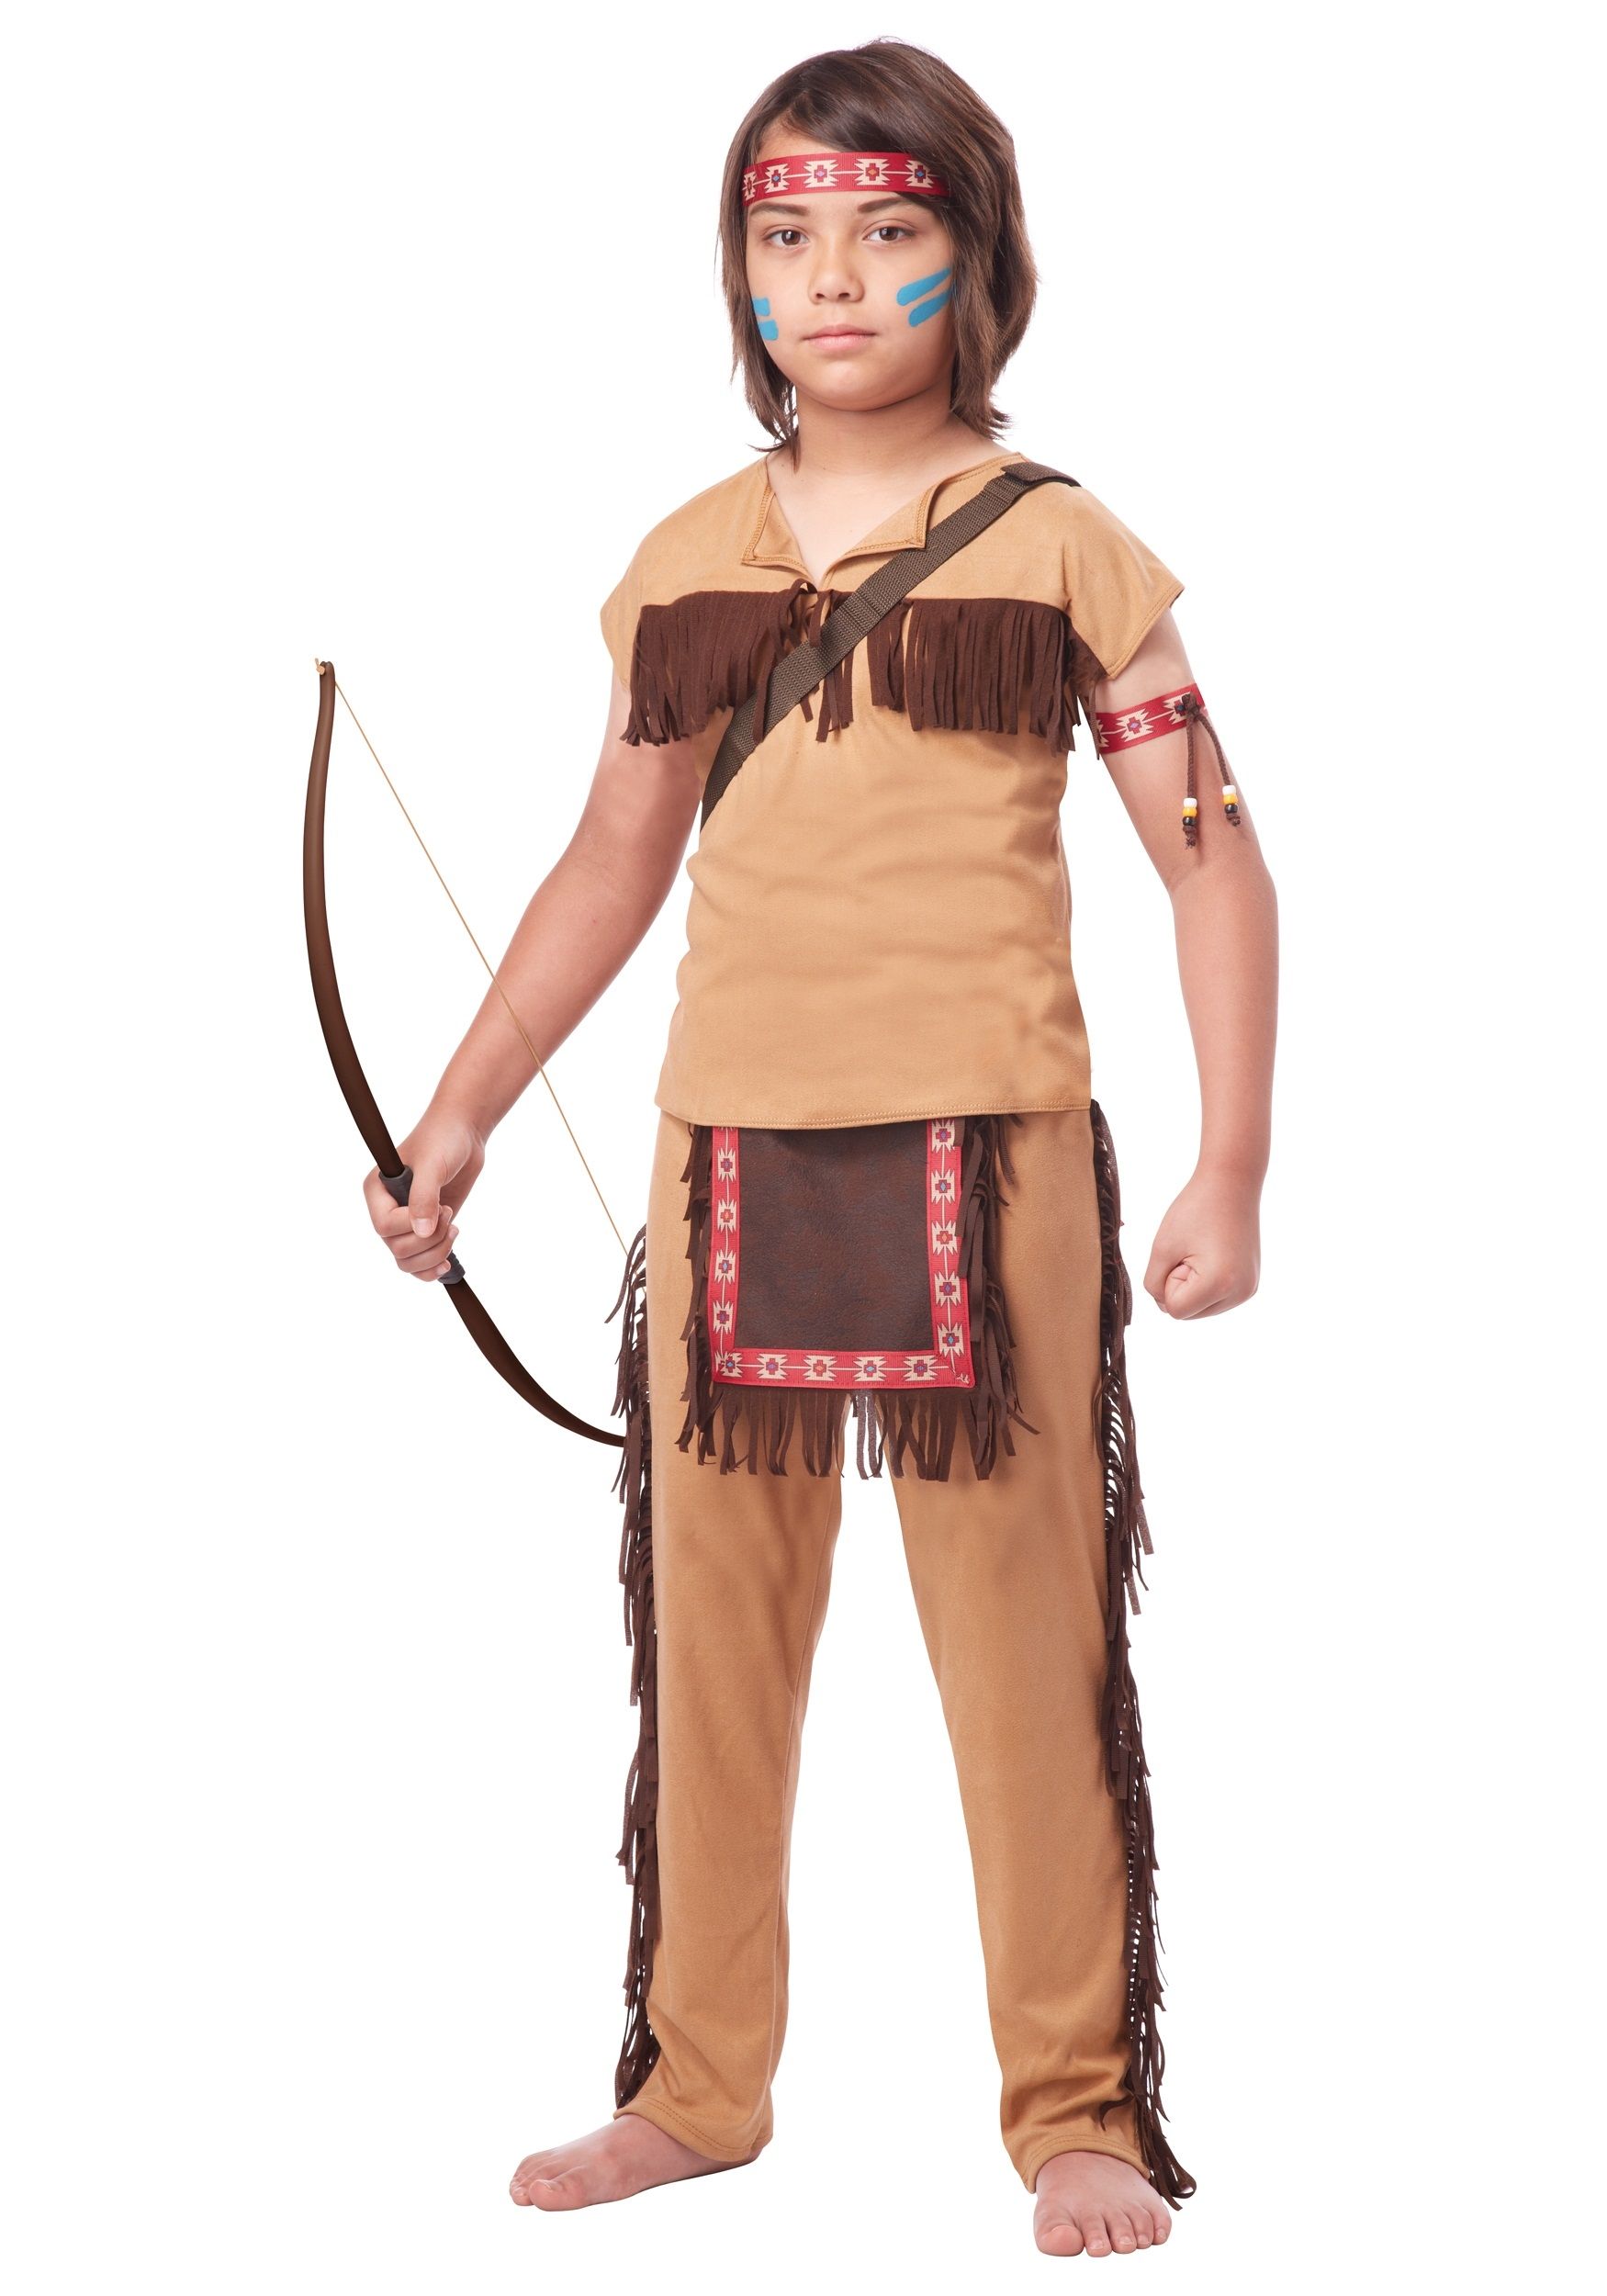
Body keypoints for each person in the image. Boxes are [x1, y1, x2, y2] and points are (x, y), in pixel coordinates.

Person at [365, 39, 1276, 2263]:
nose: (834, 278)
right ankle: (694, 2084)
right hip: (728, 1167)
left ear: (981, 262)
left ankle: (1075, 2104)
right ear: (739, 272)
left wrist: (1228, 1162)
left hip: (993, 1157)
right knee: (711, 1640)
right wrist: (458, 1109)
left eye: (885, 231)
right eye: (785, 237)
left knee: (1025, 1643)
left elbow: (1210, 854)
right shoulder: (685, 557)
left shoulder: (1060, 545)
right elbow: (610, 857)